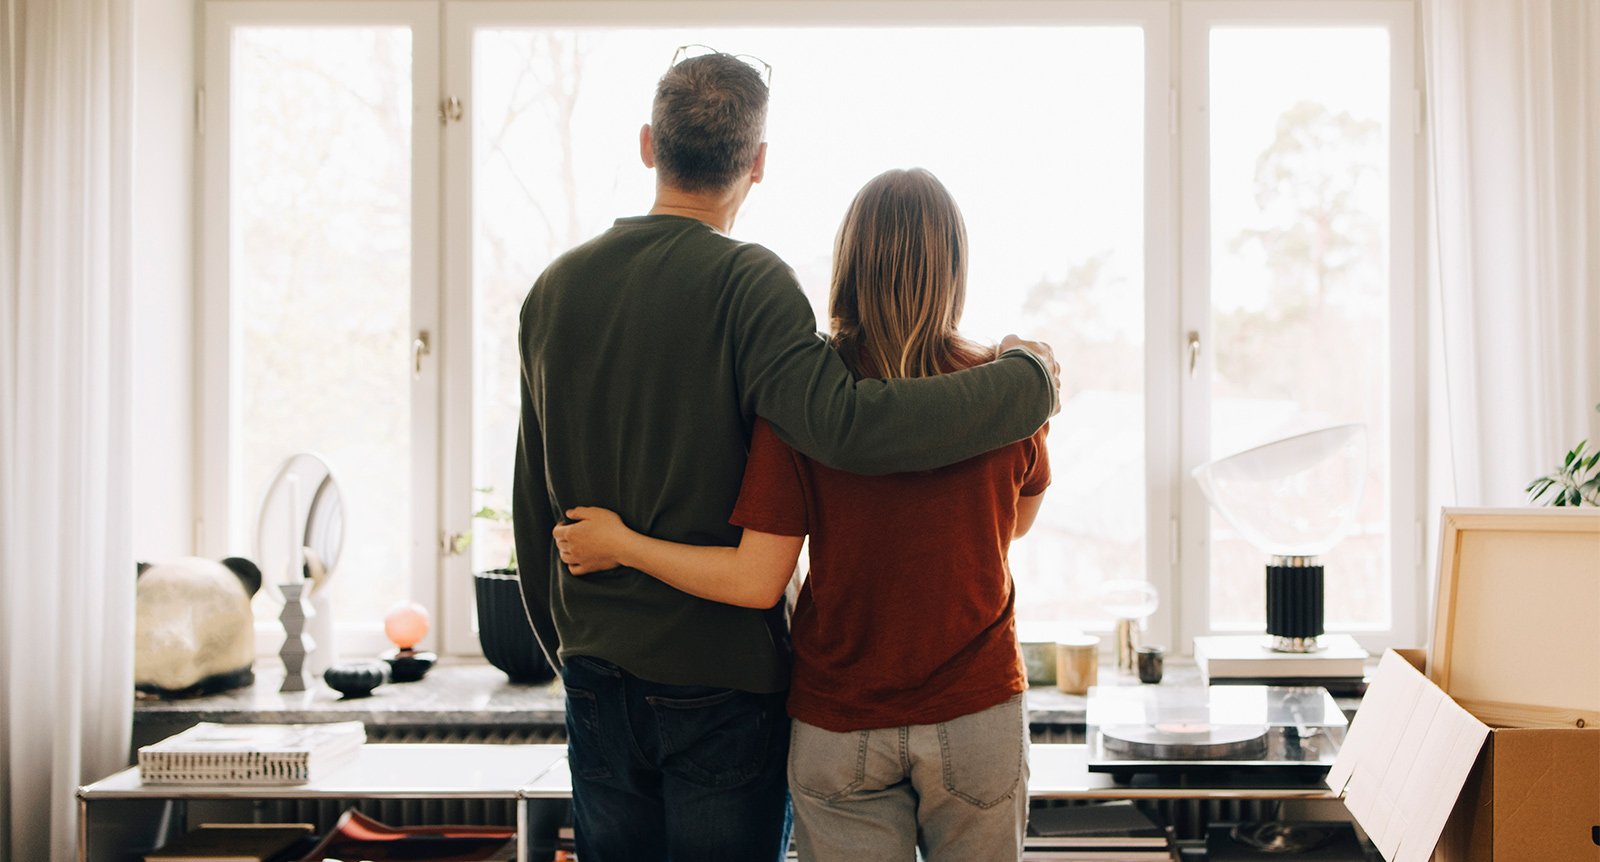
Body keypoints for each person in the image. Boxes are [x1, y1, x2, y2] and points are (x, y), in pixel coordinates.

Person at [513, 48, 1058, 862]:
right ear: (758, 163)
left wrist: (571, 649)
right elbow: (853, 429)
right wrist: (1029, 382)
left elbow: (532, 503)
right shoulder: (752, 285)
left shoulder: (553, 288)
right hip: (732, 681)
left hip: (611, 672)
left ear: (646, 144)